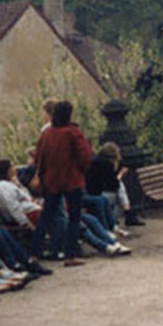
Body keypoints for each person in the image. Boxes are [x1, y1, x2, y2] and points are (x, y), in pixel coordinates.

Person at [33, 100, 95, 266]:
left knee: (46, 216)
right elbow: (85, 156)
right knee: (74, 217)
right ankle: (70, 254)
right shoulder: (73, 132)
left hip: (52, 181)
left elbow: (38, 157)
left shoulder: (47, 134)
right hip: (72, 179)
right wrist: (81, 170)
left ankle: (34, 253)